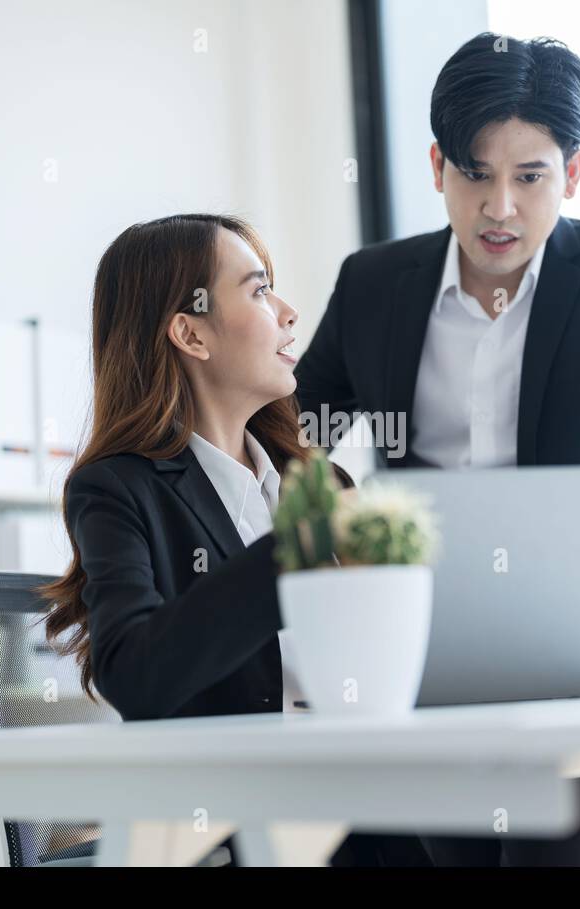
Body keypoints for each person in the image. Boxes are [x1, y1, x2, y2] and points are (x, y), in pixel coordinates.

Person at [294, 33, 580, 866]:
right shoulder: (373, 286)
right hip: (425, 652)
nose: (499, 207)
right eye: (474, 174)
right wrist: (333, 505)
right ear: (436, 168)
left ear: (571, 174)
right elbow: (296, 427)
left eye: (529, 177)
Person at [40, 213, 431, 867]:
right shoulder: (117, 490)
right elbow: (135, 675)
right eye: (257, 291)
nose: (288, 312)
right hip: (233, 835)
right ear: (190, 332)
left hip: (363, 808)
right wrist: (291, 552)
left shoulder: (320, 480)